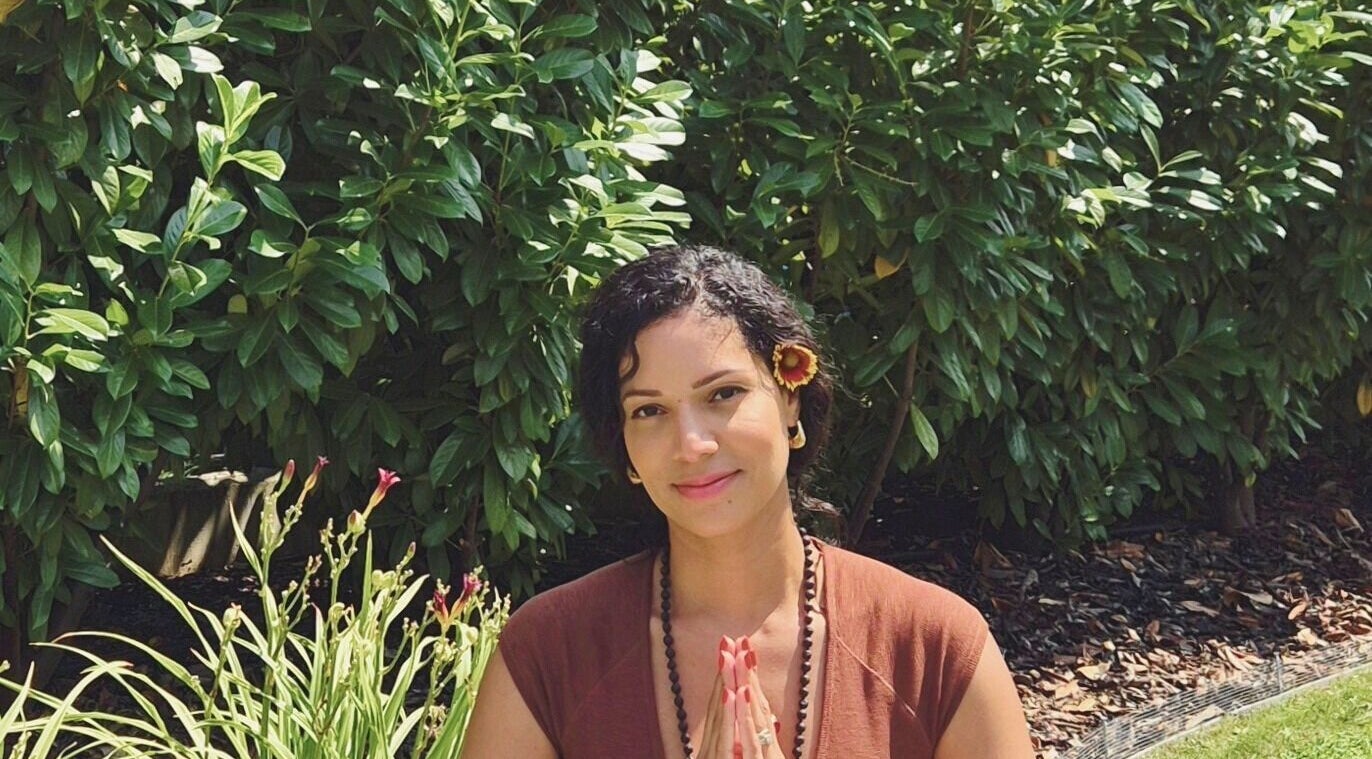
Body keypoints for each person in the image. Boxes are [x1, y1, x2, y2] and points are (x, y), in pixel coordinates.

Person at [460, 245, 1034, 758]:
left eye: (724, 393)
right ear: (625, 445)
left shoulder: (932, 650)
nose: (692, 444)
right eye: (649, 410)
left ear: (791, 401)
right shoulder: (549, 654)